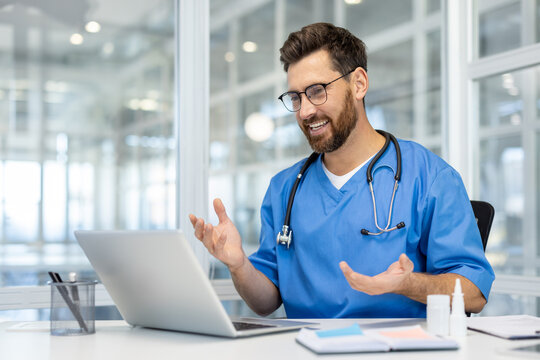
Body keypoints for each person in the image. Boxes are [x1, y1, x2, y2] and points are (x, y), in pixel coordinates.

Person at [189, 22, 494, 318]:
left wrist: (408, 284)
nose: (305, 111)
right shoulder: (284, 189)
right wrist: (239, 264)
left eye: (317, 91)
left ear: (358, 84)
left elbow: (474, 293)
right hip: (302, 348)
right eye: (296, 97)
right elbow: (266, 301)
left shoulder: (428, 177)